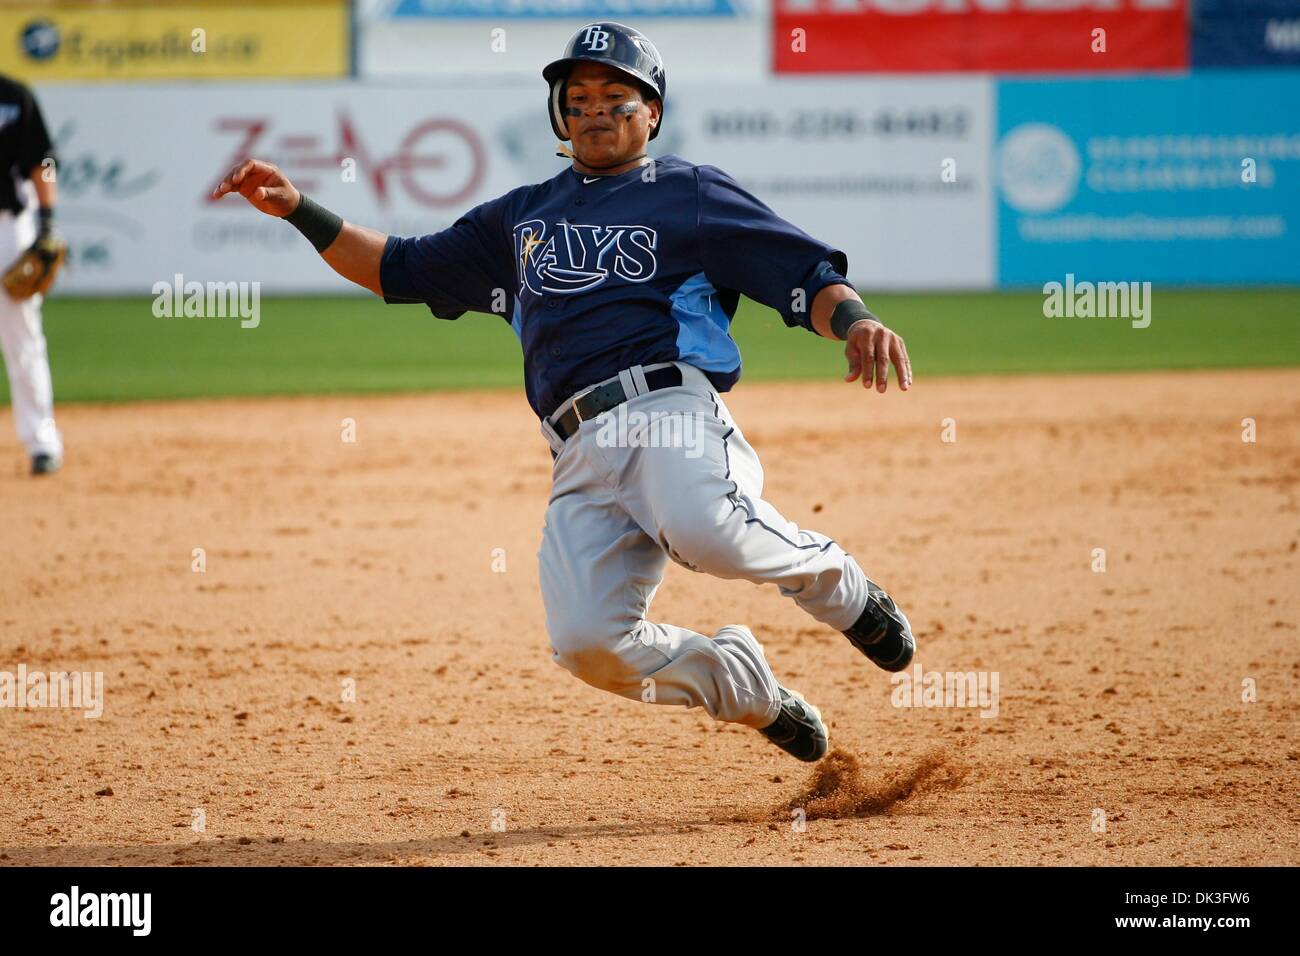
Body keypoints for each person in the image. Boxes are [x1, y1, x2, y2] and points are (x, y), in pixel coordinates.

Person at [212, 22, 917, 762]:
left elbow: (800, 272)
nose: (595, 110)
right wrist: (298, 208)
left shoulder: (689, 192)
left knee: (705, 528)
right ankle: (744, 688)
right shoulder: (520, 217)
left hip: (669, 410)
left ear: (652, 113)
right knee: (587, 643)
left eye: (617, 95)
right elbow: (398, 267)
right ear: (559, 115)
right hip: (577, 447)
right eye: (577, 97)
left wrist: (857, 319)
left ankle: (839, 585)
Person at [0, 73, 64, 476]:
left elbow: (43, 163)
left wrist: (46, 224)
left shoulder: (12, 96)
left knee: (22, 335)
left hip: (7, 226)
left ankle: (42, 442)